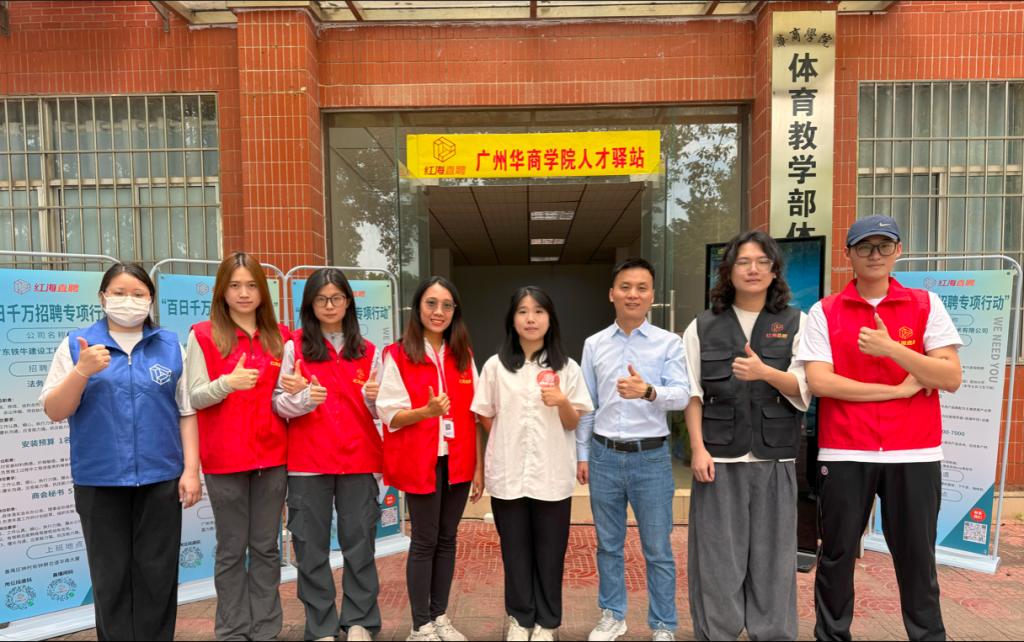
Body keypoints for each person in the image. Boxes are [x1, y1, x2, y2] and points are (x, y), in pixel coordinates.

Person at [797, 215, 963, 641]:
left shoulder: (925, 304)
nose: (875, 255)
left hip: (915, 451)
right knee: (836, 556)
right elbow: (821, 382)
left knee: (917, 559)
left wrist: (892, 349)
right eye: (864, 247)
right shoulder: (825, 311)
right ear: (848, 255)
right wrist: (899, 390)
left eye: (884, 246)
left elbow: (949, 376)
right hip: (845, 450)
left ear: (898, 251)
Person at [41, 263, 200, 641]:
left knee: (157, 575)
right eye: (119, 293)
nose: (129, 301)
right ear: (103, 297)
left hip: (161, 478)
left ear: (150, 299)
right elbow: (55, 410)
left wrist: (191, 470)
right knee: (109, 577)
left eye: (138, 294)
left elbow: (186, 412)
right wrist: (81, 371)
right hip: (99, 479)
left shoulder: (169, 345)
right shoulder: (77, 345)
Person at [682, 231, 810, 641]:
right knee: (717, 558)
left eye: (761, 262)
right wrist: (698, 449)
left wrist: (765, 373)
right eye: (743, 262)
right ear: (728, 270)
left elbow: (805, 387)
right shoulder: (702, 325)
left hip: (776, 459)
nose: (752, 269)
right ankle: (716, 633)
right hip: (719, 461)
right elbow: (692, 393)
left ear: (774, 271)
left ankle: (772, 634)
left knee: (775, 558)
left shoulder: (798, 322)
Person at [576, 258, 690, 642]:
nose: (633, 294)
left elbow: (682, 395)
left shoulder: (668, 343)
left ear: (652, 296)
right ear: (612, 293)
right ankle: (612, 615)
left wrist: (649, 391)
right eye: (625, 287)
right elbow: (587, 405)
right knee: (608, 545)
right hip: (604, 455)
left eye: (642, 288)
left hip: (651, 458)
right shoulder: (594, 344)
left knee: (657, 548)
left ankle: (663, 625)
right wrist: (582, 455)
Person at [471, 286, 593, 642]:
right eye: (523, 311)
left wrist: (562, 401)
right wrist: (502, 444)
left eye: (539, 311)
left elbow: (573, 422)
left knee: (551, 552)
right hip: (508, 474)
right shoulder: (495, 366)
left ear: (550, 319)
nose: (530, 319)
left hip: (551, 474)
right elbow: (483, 414)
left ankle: (547, 622)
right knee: (514, 551)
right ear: (512, 319)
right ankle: (520, 618)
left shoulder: (567, 368)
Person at [186, 251, 293, 641]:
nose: (244, 293)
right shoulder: (203, 335)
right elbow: (194, 397)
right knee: (231, 549)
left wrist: (298, 390)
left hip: (273, 458)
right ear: (222, 291)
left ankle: (265, 628)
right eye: (234, 285)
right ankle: (232, 630)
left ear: (263, 292)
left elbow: (285, 398)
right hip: (224, 459)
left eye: (251, 286)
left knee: (266, 547)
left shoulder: (281, 337)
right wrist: (226, 384)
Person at [272, 268, 383, 642]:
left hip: (359, 460)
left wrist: (374, 400)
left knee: (360, 545)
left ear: (348, 302)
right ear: (310, 305)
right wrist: (304, 398)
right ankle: (320, 625)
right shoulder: (295, 348)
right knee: (310, 548)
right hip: (308, 463)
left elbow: (383, 411)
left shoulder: (369, 351)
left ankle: (360, 621)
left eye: (336, 298)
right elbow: (278, 404)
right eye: (321, 299)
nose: (330, 305)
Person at [376, 276, 482, 642]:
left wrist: (479, 467)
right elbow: (390, 414)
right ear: (418, 307)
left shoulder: (464, 354)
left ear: (455, 311)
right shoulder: (397, 354)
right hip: (421, 459)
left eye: (446, 305)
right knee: (424, 539)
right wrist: (427, 412)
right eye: (431, 304)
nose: (439, 312)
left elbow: (476, 413)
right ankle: (420, 625)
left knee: (448, 538)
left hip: (458, 460)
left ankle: (440, 617)